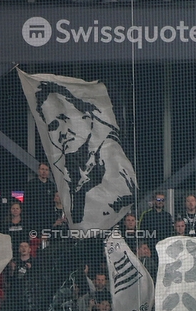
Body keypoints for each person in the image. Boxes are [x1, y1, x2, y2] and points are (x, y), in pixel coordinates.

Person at [32, 79, 137, 231]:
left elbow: (127, 196)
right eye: (53, 126)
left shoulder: (112, 155)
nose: (62, 133)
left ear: (86, 118)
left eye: (65, 121)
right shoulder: (63, 167)